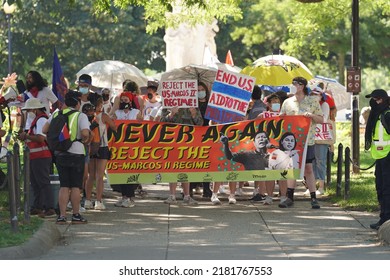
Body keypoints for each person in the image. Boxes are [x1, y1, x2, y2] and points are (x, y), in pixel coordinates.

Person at [43, 90, 92, 224]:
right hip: (76, 153)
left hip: (60, 153)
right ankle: (76, 215)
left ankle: (62, 216)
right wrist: (86, 136)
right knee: (76, 186)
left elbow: (44, 130)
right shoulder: (80, 116)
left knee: (64, 185)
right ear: (78, 103)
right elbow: (84, 133)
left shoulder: (56, 113)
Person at [278, 76, 323, 209]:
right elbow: (282, 118)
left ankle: (313, 197)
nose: (292, 86)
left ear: (302, 86)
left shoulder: (313, 101)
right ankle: (289, 197)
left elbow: (321, 119)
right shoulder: (287, 102)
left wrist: (312, 116)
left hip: (307, 140)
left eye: (295, 84)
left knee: (308, 168)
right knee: (291, 167)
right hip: (291, 141)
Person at [18, 98, 55, 217]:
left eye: (29, 110)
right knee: (35, 183)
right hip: (35, 155)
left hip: (41, 156)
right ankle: (38, 206)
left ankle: (49, 207)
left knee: (43, 182)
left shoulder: (41, 120)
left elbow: (40, 138)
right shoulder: (36, 120)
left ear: (35, 109)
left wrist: (26, 136)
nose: (28, 112)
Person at [160, 105, 203, 204]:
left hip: (188, 141)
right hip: (173, 141)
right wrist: (171, 114)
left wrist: (194, 114)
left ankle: (187, 195)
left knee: (186, 168)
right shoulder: (168, 105)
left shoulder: (193, 106)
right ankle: (172, 195)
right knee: (173, 168)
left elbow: (200, 123)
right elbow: (161, 123)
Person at [112, 91, 143, 208]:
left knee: (130, 172)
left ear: (130, 101)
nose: (124, 102)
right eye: (122, 100)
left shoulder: (136, 112)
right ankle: (124, 196)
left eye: (126, 100)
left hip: (132, 147)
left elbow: (143, 126)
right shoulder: (117, 113)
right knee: (121, 171)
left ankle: (130, 197)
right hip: (120, 147)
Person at [84, 98, 117, 210]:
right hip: (102, 146)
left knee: (90, 176)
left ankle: (87, 201)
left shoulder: (86, 116)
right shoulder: (103, 116)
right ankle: (98, 201)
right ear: (98, 105)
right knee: (99, 176)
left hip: (91, 146)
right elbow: (113, 126)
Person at [364, 89, 390, 230]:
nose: (376, 102)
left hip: (388, 156)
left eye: (379, 99)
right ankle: (384, 217)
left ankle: (386, 219)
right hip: (380, 157)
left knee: (386, 188)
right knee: (380, 187)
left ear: (385, 100)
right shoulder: (377, 115)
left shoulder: (387, 115)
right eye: (374, 100)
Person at [311, 86, 332, 196]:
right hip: (311, 137)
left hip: (321, 137)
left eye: (317, 94)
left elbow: (323, 119)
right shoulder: (309, 106)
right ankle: (312, 186)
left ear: (321, 96)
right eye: (313, 94)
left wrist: (312, 115)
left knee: (320, 161)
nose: (314, 97)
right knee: (312, 162)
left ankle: (322, 186)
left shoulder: (324, 105)